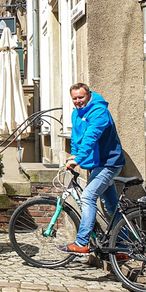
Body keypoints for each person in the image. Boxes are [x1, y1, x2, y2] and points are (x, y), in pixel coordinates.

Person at [58, 83, 125, 255]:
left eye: (81, 97)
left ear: (88, 95)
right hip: (97, 164)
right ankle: (125, 246)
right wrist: (74, 154)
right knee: (111, 208)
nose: (78, 101)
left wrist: (79, 159)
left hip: (109, 164)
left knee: (88, 197)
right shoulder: (76, 113)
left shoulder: (99, 112)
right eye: (75, 98)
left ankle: (81, 242)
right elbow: (76, 137)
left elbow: (91, 137)